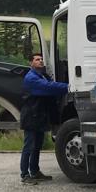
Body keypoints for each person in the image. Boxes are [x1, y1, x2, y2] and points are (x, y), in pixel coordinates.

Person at [20, 52, 68, 184]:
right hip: (31, 116)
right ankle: (24, 175)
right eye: (37, 59)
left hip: (39, 116)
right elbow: (49, 87)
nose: (40, 61)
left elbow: (50, 86)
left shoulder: (42, 75)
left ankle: (35, 172)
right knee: (29, 146)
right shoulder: (31, 78)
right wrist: (69, 87)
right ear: (31, 63)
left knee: (37, 146)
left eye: (41, 59)